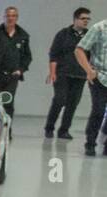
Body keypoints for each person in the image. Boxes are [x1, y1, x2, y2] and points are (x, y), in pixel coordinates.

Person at [46, 8, 93, 139]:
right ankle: (49, 127)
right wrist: (52, 72)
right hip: (63, 73)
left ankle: (64, 130)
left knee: (73, 104)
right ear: (75, 19)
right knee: (59, 100)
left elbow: (91, 56)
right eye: (83, 18)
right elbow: (54, 54)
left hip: (79, 75)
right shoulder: (63, 34)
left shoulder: (89, 35)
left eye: (88, 19)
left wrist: (90, 71)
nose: (86, 21)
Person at [0, 6, 33, 119]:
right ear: (3, 17)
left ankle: (7, 131)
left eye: (13, 16)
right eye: (8, 16)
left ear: (17, 18)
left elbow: (27, 56)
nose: (10, 18)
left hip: (12, 76)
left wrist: (20, 70)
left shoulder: (23, 36)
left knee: (8, 103)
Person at [75, 14, 107, 153]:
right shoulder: (99, 28)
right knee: (98, 111)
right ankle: (91, 142)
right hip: (100, 76)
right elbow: (79, 49)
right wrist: (89, 70)